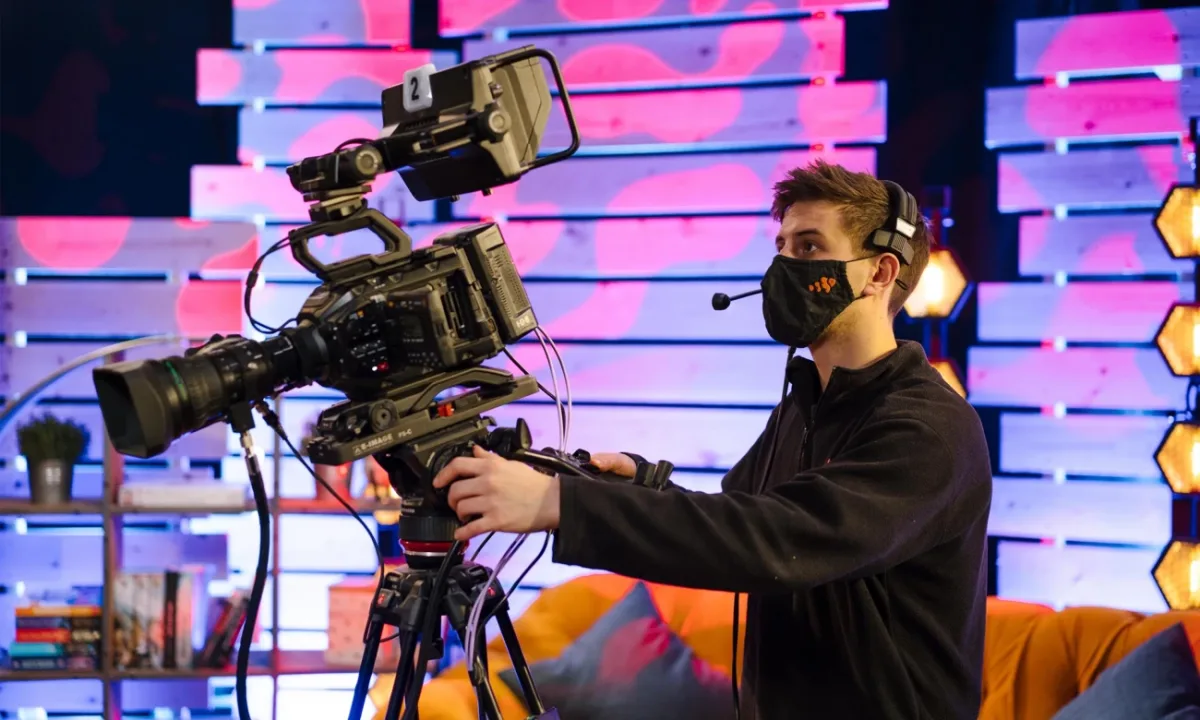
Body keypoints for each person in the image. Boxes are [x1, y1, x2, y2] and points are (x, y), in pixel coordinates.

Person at [432, 160, 993, 719]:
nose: (783, 266)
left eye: (809, 247)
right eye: (781, 247)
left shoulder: (929, 430)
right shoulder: (804, 406)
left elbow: (778, 540)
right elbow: (736, 518)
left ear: (880, 272)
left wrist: (560, 504)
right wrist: (643, 488)